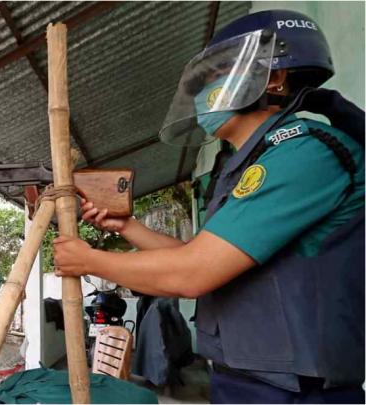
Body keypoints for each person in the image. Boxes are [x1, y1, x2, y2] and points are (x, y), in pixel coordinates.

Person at [53, 9, 364, 404]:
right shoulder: (249, 163)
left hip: (296, 391)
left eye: (215, 77)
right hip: (249, 378)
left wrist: (88, 260)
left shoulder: (302, 153)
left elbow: (192, 273)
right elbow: (200, 256)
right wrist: (127, 227)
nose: (202, 95)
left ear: (274, 77)